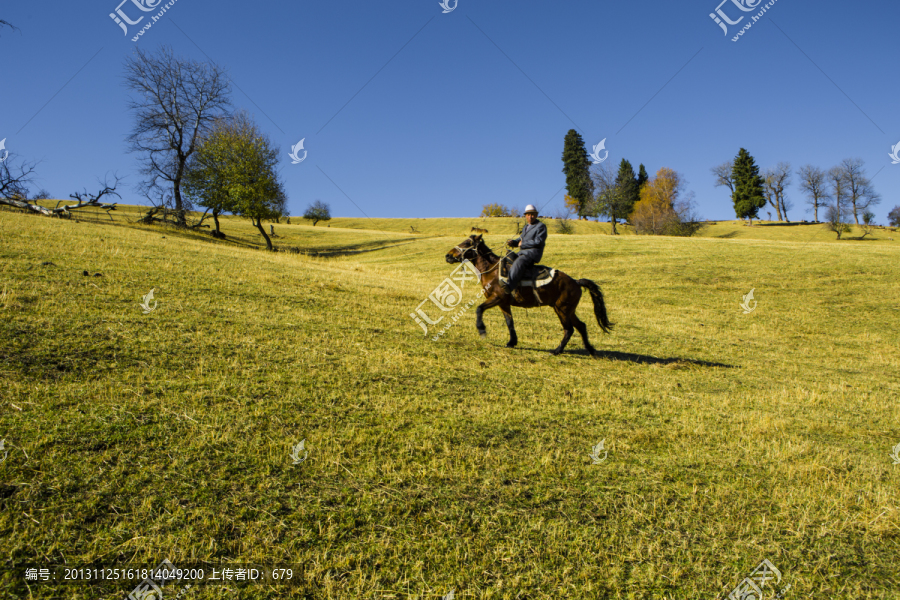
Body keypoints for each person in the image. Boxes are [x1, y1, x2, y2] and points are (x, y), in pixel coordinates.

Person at [501, 204, 547, 295]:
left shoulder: (541, 226)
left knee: (519, 262)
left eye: (533, 214)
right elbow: (520, 240)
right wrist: (513, 242)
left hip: (532, 254)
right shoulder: (526, 227)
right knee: (506, 257)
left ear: (536, 215)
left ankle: (510, 286)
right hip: (522, 253)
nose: (530, 216)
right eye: (528, 214)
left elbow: (539, 241)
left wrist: (523, 244)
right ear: (525, 216)